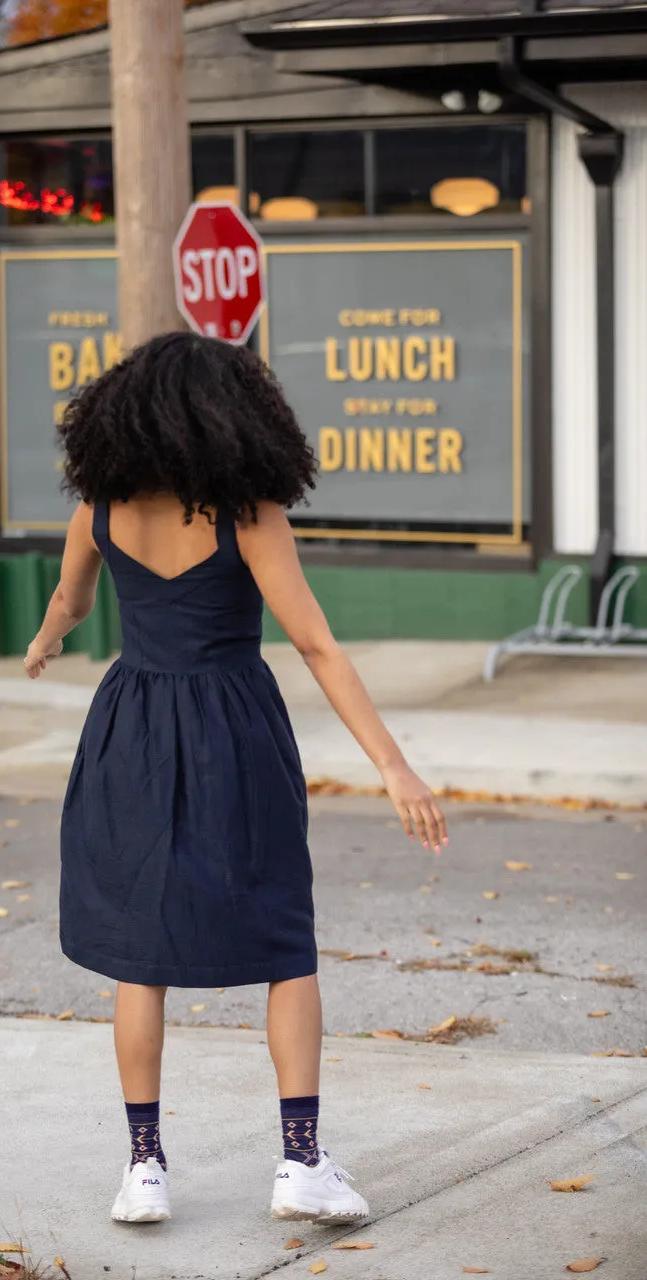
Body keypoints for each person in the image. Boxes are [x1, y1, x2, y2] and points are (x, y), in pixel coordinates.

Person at [24, 332, 448, 1226]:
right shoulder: (248, 514)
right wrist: (393, 764)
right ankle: (300, 1164)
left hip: (129, 727)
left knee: (138, 955)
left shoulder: (98, 509)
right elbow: (315, 645)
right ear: (232, 418)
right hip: (232, 731)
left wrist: (49, 637)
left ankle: (144, 1168)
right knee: (283, 939)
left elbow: (71, 599)